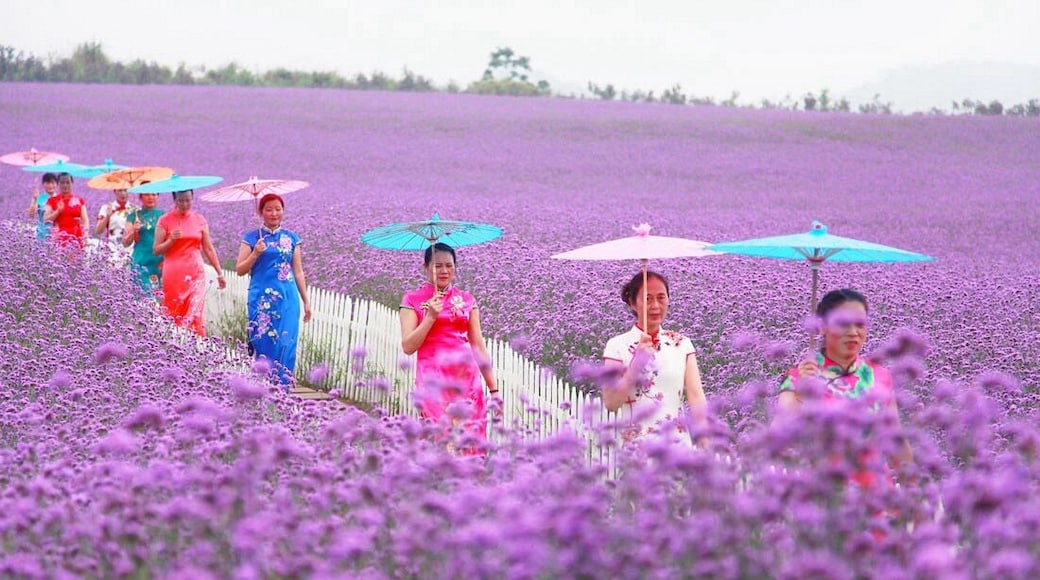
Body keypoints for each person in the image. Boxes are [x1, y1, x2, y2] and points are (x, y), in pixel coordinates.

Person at [778, 288, 914, 487]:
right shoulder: (800, 377)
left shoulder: (880, 376)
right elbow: (778, 438)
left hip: (874, 498)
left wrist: (916, 491)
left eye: (860, 324)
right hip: (819, 498)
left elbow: (895, 441)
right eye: (843, 324)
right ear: (822, 327)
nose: (853, 332)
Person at [400, 242, 497, 451]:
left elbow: (478, 346)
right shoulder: (412, 300)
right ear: (425, 267)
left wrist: (494, 389)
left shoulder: (467, 300)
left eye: (449, 265)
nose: (444, 271)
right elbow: (408, 346)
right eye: (437, 266)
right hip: (432, 380)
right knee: (441, 441)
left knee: (471, 442)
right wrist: (430, 318)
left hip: (466, 380)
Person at [603, 271, 708, 445]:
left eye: (661, 297)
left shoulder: (682, 344)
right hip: (636, 450)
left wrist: (705, 442)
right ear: (632, 303)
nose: (656, 306)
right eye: (647, 299)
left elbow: (696, 397)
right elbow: (611, 403)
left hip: (677, 447)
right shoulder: (616, 346)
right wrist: (636, 364)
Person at [234, 193, 313, 387]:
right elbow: (240, 270)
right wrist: (255, 253)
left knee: (286, 342)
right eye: (268, 209)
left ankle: (282, 391)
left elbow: (299, 271)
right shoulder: (251, 237)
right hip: (262, 299)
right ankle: (263, 387)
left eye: (278, 209)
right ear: (261, 212)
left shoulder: (292, 238)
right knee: (264, 341)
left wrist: (306, 301)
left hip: (287, 298)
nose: (274, 213)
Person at [153, 189, 226, 335]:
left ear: (192, 199)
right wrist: (170, 240)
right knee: (174, 310)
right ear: (175, 200)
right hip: (174, 273)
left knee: (196, 309)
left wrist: (219, 272)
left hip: (195, 271)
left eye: (188, 200)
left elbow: (208, 248)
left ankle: (197, 346)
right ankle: (175, 343)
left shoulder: (200, 220)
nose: (185, 204)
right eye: (181, 200)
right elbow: (156, 249)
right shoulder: (165, 220)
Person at [122, 191, 164, 297]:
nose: (151, 197)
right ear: (140, 197)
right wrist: (134, 230)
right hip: (141, 262)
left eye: (154, 194)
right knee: (143, 297)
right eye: (147, 194)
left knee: (159, 298)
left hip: (159, 262)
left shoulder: (163, 216)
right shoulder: (133, 216)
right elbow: (125, 242)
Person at [42, 172, 89, 250]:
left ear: (72, 183)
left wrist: (85, 235)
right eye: (62, 183)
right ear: (58, 184)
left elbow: (85, 219)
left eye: (68, 182)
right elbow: (45, 219)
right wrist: (57, 211)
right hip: (59, 236)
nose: (65, 185)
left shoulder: (79, 200)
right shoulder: (52, 200)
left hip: (77, 236)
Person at [95, 188, 138, 265]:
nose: (123, 193)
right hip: (111, 247)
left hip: (130, 248)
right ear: (115, 191)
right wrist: (107, 216)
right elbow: (98, 230)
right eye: (120, 191)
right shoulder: (106, 208)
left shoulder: (135, 209)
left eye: (125, 190)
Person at [27, 172, 58, 241]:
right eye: (47, 183)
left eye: (53, 183)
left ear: (57, 184)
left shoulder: (60, 198)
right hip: (42, 231)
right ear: (43, 184)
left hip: (57, 231)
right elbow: (31, 215)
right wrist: (35, 200)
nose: (50, 185)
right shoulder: (40, 198)